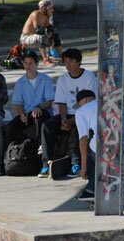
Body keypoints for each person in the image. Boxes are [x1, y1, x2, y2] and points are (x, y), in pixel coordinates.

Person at [39, 49, 96, 178]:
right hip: (68, 114)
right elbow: (62, 103)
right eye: (65, 62)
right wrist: (64, 119)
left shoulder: (89, 77)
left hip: (85, 114)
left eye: (70, 61)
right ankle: (46, 162)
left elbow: (89, 103)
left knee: (79, 127)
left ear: (78, 62)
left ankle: (75, 163)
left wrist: (71, 121)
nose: (67, 65)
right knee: (47, 126)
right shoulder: (63, 79)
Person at [74, 88, 124, 201]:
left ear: (85, 100)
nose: (79, 107)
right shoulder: (109, 104)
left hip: (106, 145)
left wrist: (83, 167)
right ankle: (121, 189)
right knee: (119, 161)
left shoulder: (81, 111)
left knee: (90, 150)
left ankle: (91, 190)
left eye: (79, 104)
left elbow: (83, 138)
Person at [5, 51, 55, 151]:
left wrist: (39, 107)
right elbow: (18, 103)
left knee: (38, 116)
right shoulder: (20, 82)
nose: (28, 66)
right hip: (28, 113)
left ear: (36, 64)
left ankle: (40, 146)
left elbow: (50, 100)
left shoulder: (45, 79)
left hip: (43, 111)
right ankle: (20, 147)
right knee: (10, 127)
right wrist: (22, 113)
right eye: (25, 63)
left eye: (30, 63)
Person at [20, 0, 55, 66]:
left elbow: (50, 27)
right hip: (26, 38)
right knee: (42, 37)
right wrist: (47, 35)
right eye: (50, 8)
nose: (52, 10)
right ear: (44, 8)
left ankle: (60, 56)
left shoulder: (45, 17)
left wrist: (50, 33)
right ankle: (45, 60)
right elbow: (38, 30)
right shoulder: (35, 14)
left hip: (35, 37)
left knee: (55, 36)